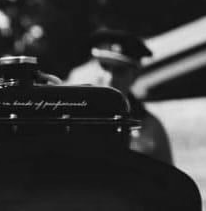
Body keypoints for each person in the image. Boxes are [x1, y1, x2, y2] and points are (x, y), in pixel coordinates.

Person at [68, 28, 173, 164]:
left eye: (120, 70)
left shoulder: (151, 128)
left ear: (135, 76)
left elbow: (168, 176)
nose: (110, 78)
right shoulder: (72, 118)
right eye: (104, 66)